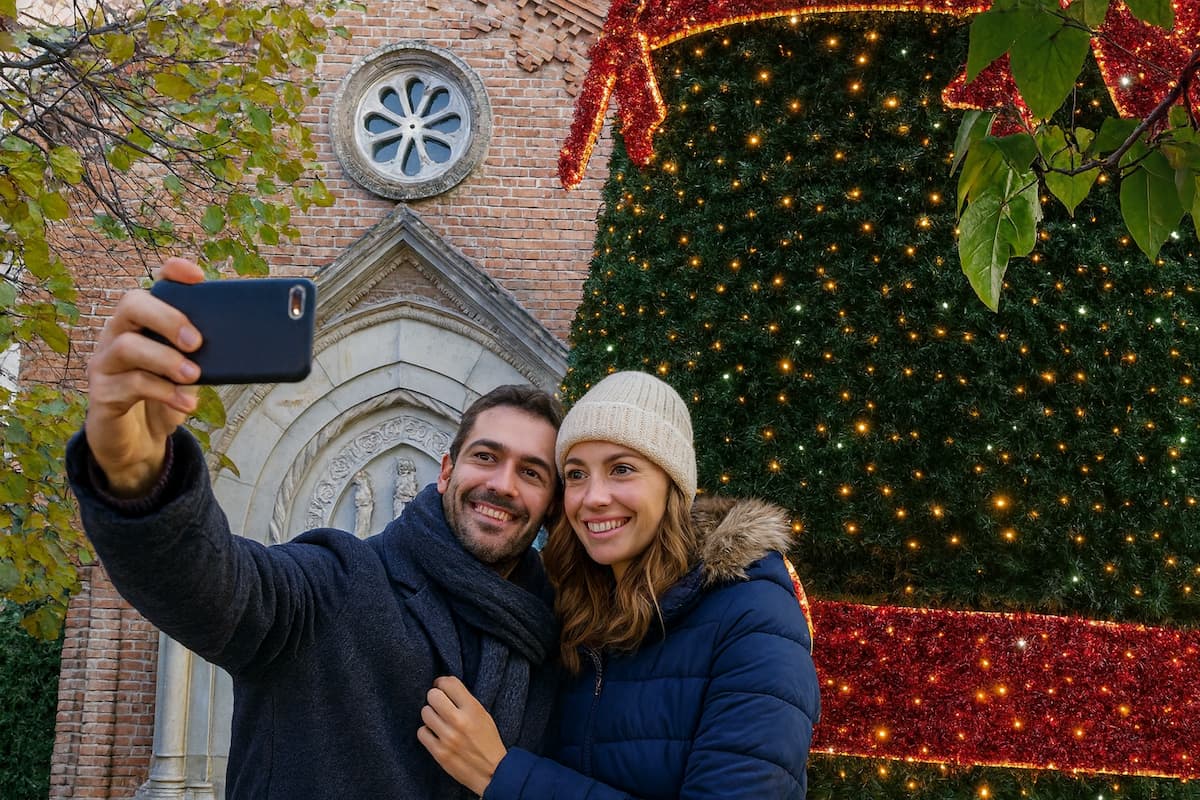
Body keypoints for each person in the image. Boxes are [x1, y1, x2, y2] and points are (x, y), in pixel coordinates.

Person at [65, 257, 565, 799]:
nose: (504, 484)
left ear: (552, 500)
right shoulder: (333, 587)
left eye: (532, 472)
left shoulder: (561, 637)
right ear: (446, 472)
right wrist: (135, 471)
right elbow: (210, 584)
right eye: (486, 457)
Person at [419, 370, 821, 799]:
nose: (593, 496)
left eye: (622, 469)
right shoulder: (570, 609)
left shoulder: (751, 616)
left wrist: (501, 776)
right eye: (575, 474)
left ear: (672, 485)